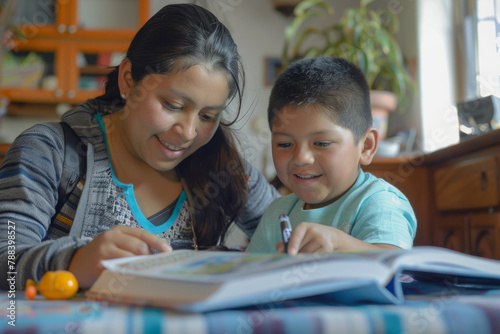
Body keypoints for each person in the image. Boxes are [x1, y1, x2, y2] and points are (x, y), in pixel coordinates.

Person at [0, 4, 279, 290]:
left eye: (208, 116)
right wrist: (74, 260)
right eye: (173, 105)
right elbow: (5, 262)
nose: (188, 132)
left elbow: (285, 233)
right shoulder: (50, 152)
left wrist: (320, 239)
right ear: (128, 79)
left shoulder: (223, 166)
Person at [246, 56, 416, 255]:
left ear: (366, 146)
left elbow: (394, 263)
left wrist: (337, 244)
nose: (301, 158)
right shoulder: (276, 213)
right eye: (285, 144)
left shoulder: (380, 201)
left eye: (321, 143)